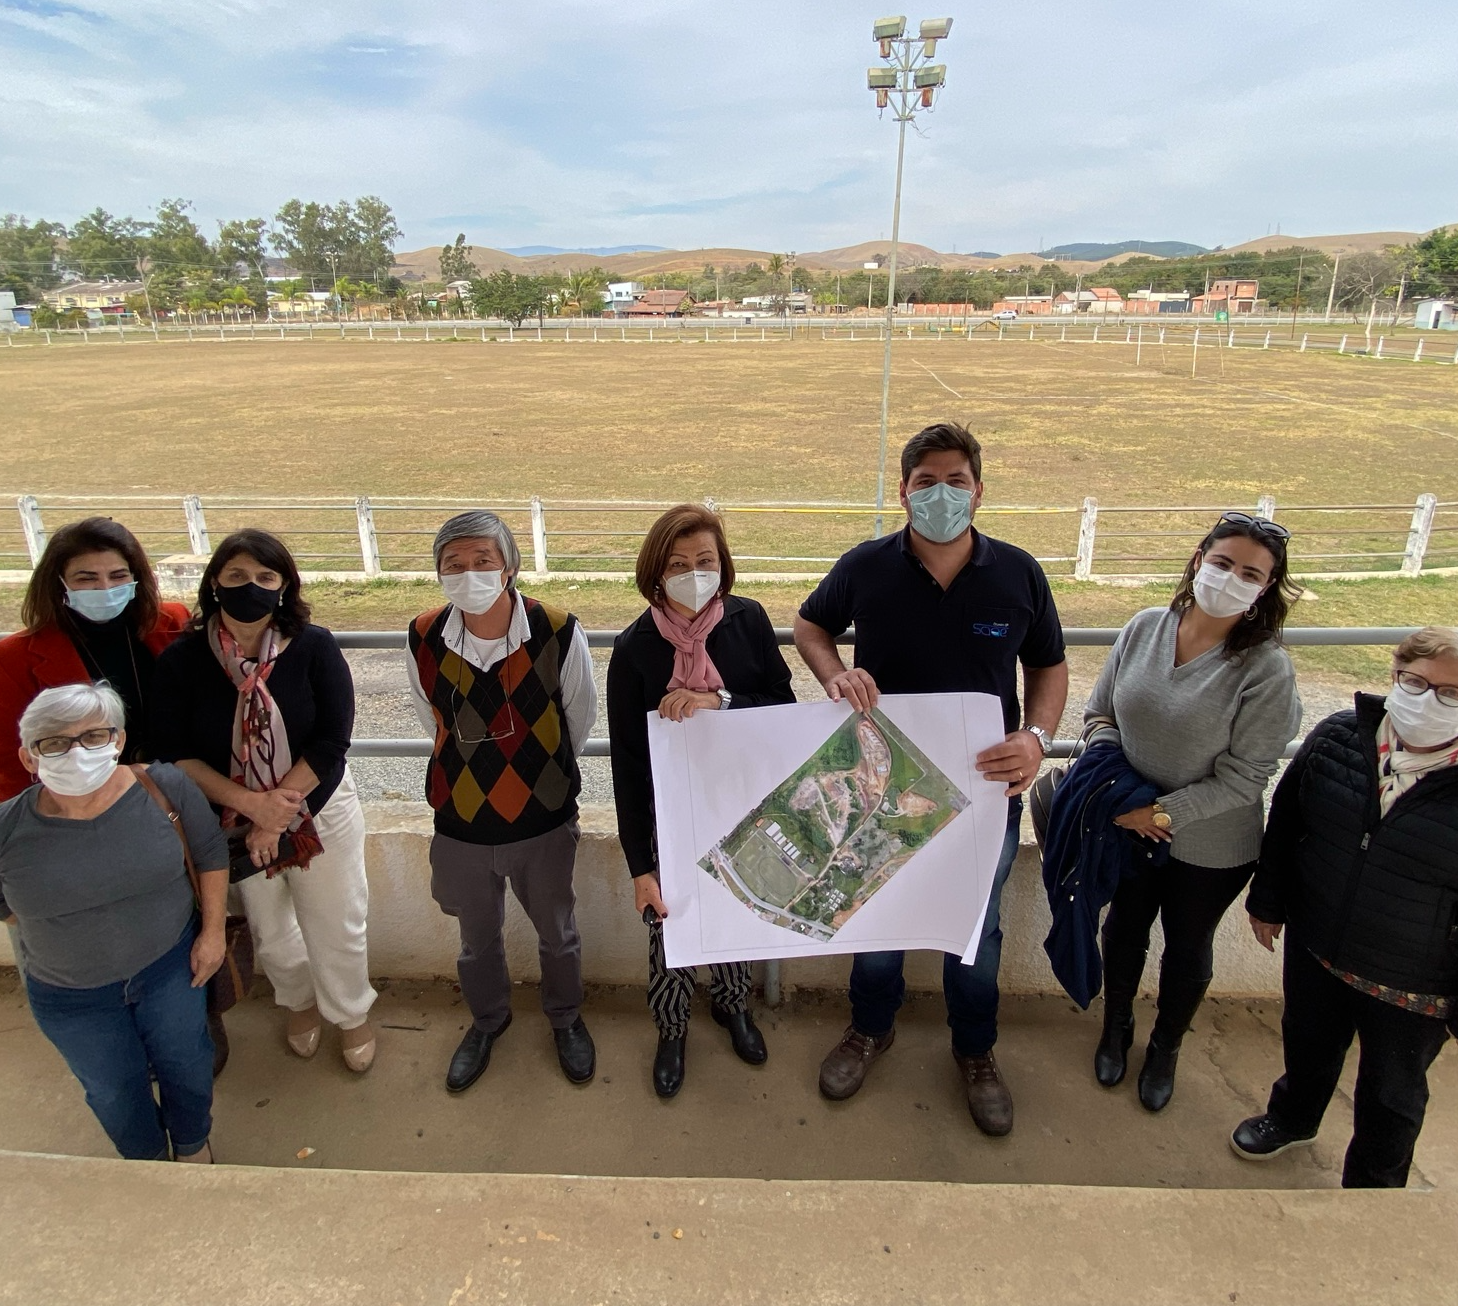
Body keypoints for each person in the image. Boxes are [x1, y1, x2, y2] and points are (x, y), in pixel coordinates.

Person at [794, 422, 1068, 1137]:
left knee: (975, 931)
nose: (940, 493)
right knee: (876, 915)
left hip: (985, 793)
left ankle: (975, 1052)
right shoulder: (866, 566)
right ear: (904, 491)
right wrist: (835, 673)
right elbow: (809, 627)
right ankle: (869, 1030)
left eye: (955, 481)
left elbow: (1049, 666)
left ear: (979, 491)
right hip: (880, 785)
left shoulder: (1018, 574)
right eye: (925, 482)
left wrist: (1036, 739)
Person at [1233, 627, 1458, 1188]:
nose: (1424, 699)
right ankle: (1291, 1119)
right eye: (1412, 682)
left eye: (1449, 693)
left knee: (1391, 1094)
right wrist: (1267, 901)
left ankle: (1374, 1188)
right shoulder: (1341, 740)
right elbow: (1289, 821)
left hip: (1416, 988)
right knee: (1307, 1047)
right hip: (1320, 948)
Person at [1079, 512, 1301, 1112]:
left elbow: (1247, 775)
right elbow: (1100, 717)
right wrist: (1121, 797)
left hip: (1210, 845)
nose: (1231, 578)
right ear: (1199, 559)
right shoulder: (1145, 628)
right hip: (1129, 826)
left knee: (1187, 945)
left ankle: (1166, 1047)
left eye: (1250, 573)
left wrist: (1161, 813)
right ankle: (1116, 1027)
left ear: (1264, 591)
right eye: (1224, 562)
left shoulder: (1265, 670)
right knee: (1124, 928)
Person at [0, 682, 227, 1161]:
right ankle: (145, 1163)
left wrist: (212, 934)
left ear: (118, 741)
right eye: (56, 743)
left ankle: (191, 1145)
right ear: (29, 758)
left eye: (93, 737)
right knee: (113, 1090)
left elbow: (209, 853)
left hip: (171, 968)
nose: (77, 752)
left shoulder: (164, 789)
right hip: (71, 997)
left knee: (187, 1064)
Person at [152, 529, 377, 1074]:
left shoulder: (315, 646)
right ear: (214, 585)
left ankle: (351, 1014)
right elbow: (175, 753)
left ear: (283, 587)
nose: (249, 587)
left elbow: (331, 740)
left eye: (264, 578)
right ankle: (298, 1004)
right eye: (235, 577)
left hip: (317, 809)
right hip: (231, 819)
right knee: (273, 932)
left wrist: (279, 810)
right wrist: (252, 809)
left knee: (337, 922)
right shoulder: (183, 661)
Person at [407, 510, 599, 1092]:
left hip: (542, 822)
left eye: (482, 561)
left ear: (510, 566)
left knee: (557, 931)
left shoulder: (559, 630)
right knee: (476, 940)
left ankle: (566, 1019)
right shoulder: (422, 635)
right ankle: (488, 1021)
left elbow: (579, 719)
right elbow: (432, 721)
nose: (469, 574)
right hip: (461, 825)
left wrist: (535, 780)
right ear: (439, 575)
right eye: (454, 566)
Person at [608, 503, 796, 1098]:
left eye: (705, 561)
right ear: (655, 573)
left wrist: (722, 702)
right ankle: (672, 1025)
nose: (694, 572)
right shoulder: (635, 648)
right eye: (679, 563)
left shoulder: (749, 621)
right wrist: (642, 865)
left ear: (724, 565)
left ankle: (733, 1004)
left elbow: (783, 709)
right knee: (670, 925)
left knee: (739, 907)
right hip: (671, 819)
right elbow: (629, 767)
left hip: (742, 807)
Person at [0, 517, 190, 803]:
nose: (104, 588)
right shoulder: (9, 659)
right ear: (59, 583)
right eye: (86, 578)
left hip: (179, 794)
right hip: (83, 808)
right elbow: (8, 765)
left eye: (118, 576)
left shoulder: (172, 622)